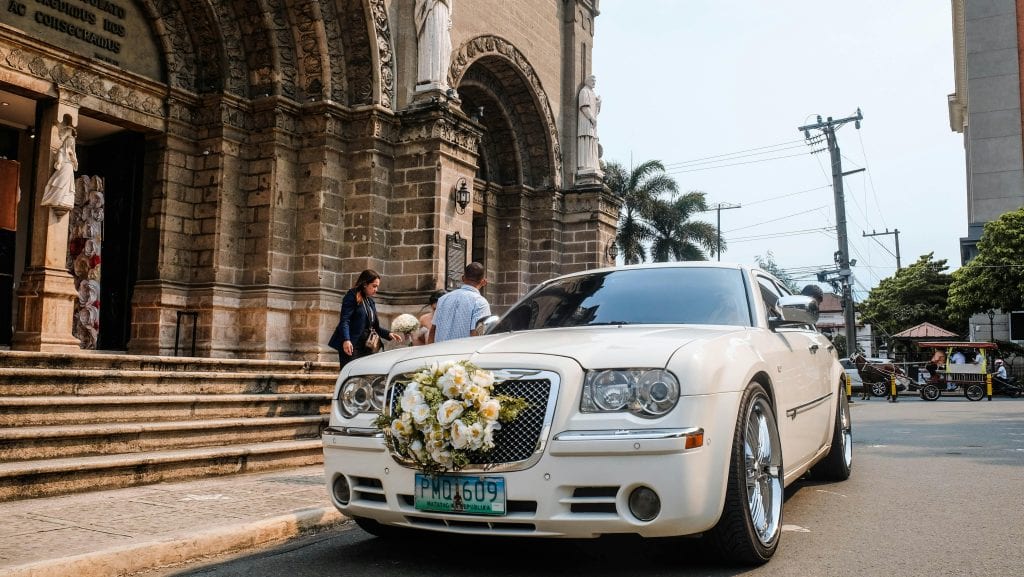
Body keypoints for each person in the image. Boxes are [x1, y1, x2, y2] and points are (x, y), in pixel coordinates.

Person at [328, 269, 402, 368]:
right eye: (374, 286)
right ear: (365, 284)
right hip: (352, 345)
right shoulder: (352, 296)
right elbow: (345, 320)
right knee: (351, 376)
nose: (376, 289)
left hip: (367, 347)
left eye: (377, 287)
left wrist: (389, 334)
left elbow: (374, 327)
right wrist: (346, 340)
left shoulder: (370, 301)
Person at [429, 262, 490, 343]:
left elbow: (433, 330)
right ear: (483, 282)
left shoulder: (443, 299)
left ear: (463, 278)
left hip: (439, 353)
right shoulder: (480, 302)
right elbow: (477, 335)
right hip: (462, 354)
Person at [40, 114, 78, 213]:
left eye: (72, 143)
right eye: (69, 142)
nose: (71, 144)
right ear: (66, 142)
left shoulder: (72, 153)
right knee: (60, 183)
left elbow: (76, 167)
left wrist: (73, 159)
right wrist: (60, 162)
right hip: (64, 168)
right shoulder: (62, 150)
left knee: (68, 186)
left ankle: (65, 201)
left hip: (70, 170)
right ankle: (56, 199)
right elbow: (60, 158)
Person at [414, 0, 453, 90]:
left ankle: (441, 79)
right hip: (433, 10)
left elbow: (449, 5)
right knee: (435, 41)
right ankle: (432, 78)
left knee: (447, 47)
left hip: (443, 13)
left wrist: (449, 18)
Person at [576, 74, 601, 174]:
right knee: (586, 139)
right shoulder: (584, 91)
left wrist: (598, 104)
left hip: (592, 122)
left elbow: (596, 111)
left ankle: (591, 164)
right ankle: (584, 165)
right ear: (587, 81)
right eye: (592, 81)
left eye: (595, 81)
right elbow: (584, 107)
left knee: (592, 140)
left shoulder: (592, 93)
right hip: (585, 121)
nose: (594, 83)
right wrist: (592, 118)